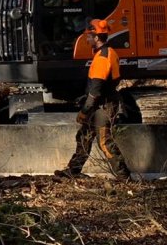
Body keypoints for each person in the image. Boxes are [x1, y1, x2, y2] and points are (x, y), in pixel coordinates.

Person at [54, 18, 131, 180]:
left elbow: (95, 91)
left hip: (103, 106)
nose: (87, 38)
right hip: (99, 105)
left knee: (105, 142)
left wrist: (85, 111)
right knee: (84, 137)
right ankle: (73, 171)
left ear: (97, 38)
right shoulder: (107, 53)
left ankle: (124, 177)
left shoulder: (103, 58)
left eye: (89, 36)